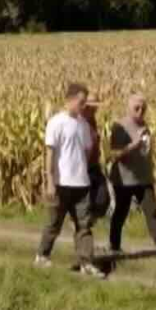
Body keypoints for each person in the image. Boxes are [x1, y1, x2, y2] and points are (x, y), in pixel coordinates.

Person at [35, 83, 105, 277]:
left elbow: (87, 150)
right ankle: (42, 256)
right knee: (54, 223)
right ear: (70, 99)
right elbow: (50, 153)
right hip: (61, 183)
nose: (84, 106)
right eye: (82, 102)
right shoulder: (56, 122)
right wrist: (49, 180)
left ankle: (86, 263)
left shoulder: (83, 125)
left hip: (81, 184)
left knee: (84, 226)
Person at [108, 94, 156, 255]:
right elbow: (114, 154)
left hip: (144, 178)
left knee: (151, 212)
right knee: (121, 213)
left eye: (143, 108)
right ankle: (114, 244)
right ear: (128, 108)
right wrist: (132, 146)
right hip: (124, 179)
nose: (140, 111)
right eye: (137, 108)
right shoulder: (119, 126)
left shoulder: (145, 127)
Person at [82, 95, 111, 221]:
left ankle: (89, 220)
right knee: (86, 200)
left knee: (102, 197)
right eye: (92, 108)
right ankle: (82, 225)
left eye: (95, 108)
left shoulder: (92, 121)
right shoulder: (79, 122)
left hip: (94, 165)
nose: (95, 110)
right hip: (82, 167)